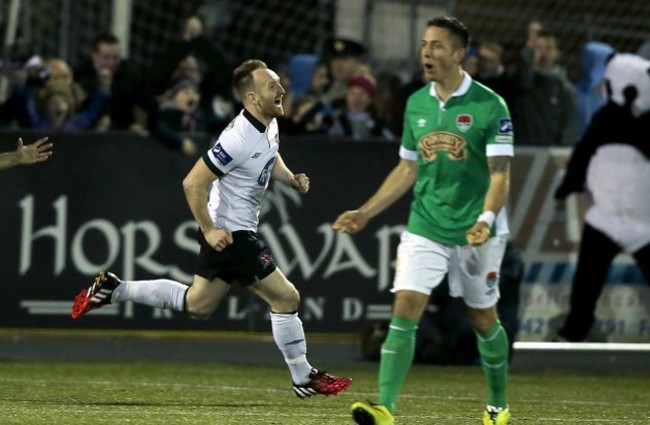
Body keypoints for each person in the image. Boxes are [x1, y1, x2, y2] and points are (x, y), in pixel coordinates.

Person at [70, 59, 352, 399]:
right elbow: (192, 183)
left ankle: (115, 289)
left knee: (198, 304)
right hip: (233, 233)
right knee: (286, 297)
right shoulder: (238, 138)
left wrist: (289, 178)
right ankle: (303, 376)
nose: (281, 89)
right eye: (271, 85)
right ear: (251, 97)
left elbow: (270, 154)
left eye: (279, 82)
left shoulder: (268, 123)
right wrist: (208, 229)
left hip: (233, 230)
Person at [332, 16, 514, 425]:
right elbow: (406, 170)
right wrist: (366, 211)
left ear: (458, 53)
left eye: (436, 46)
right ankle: (384, 408)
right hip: (426, 225)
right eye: (423, 45)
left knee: (483, 320)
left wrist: (486, 217)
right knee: (405, 307)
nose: (427, 53)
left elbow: (500, 173)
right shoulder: (415, 103)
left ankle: (498, 404)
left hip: (476, 229)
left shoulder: (490, 105)